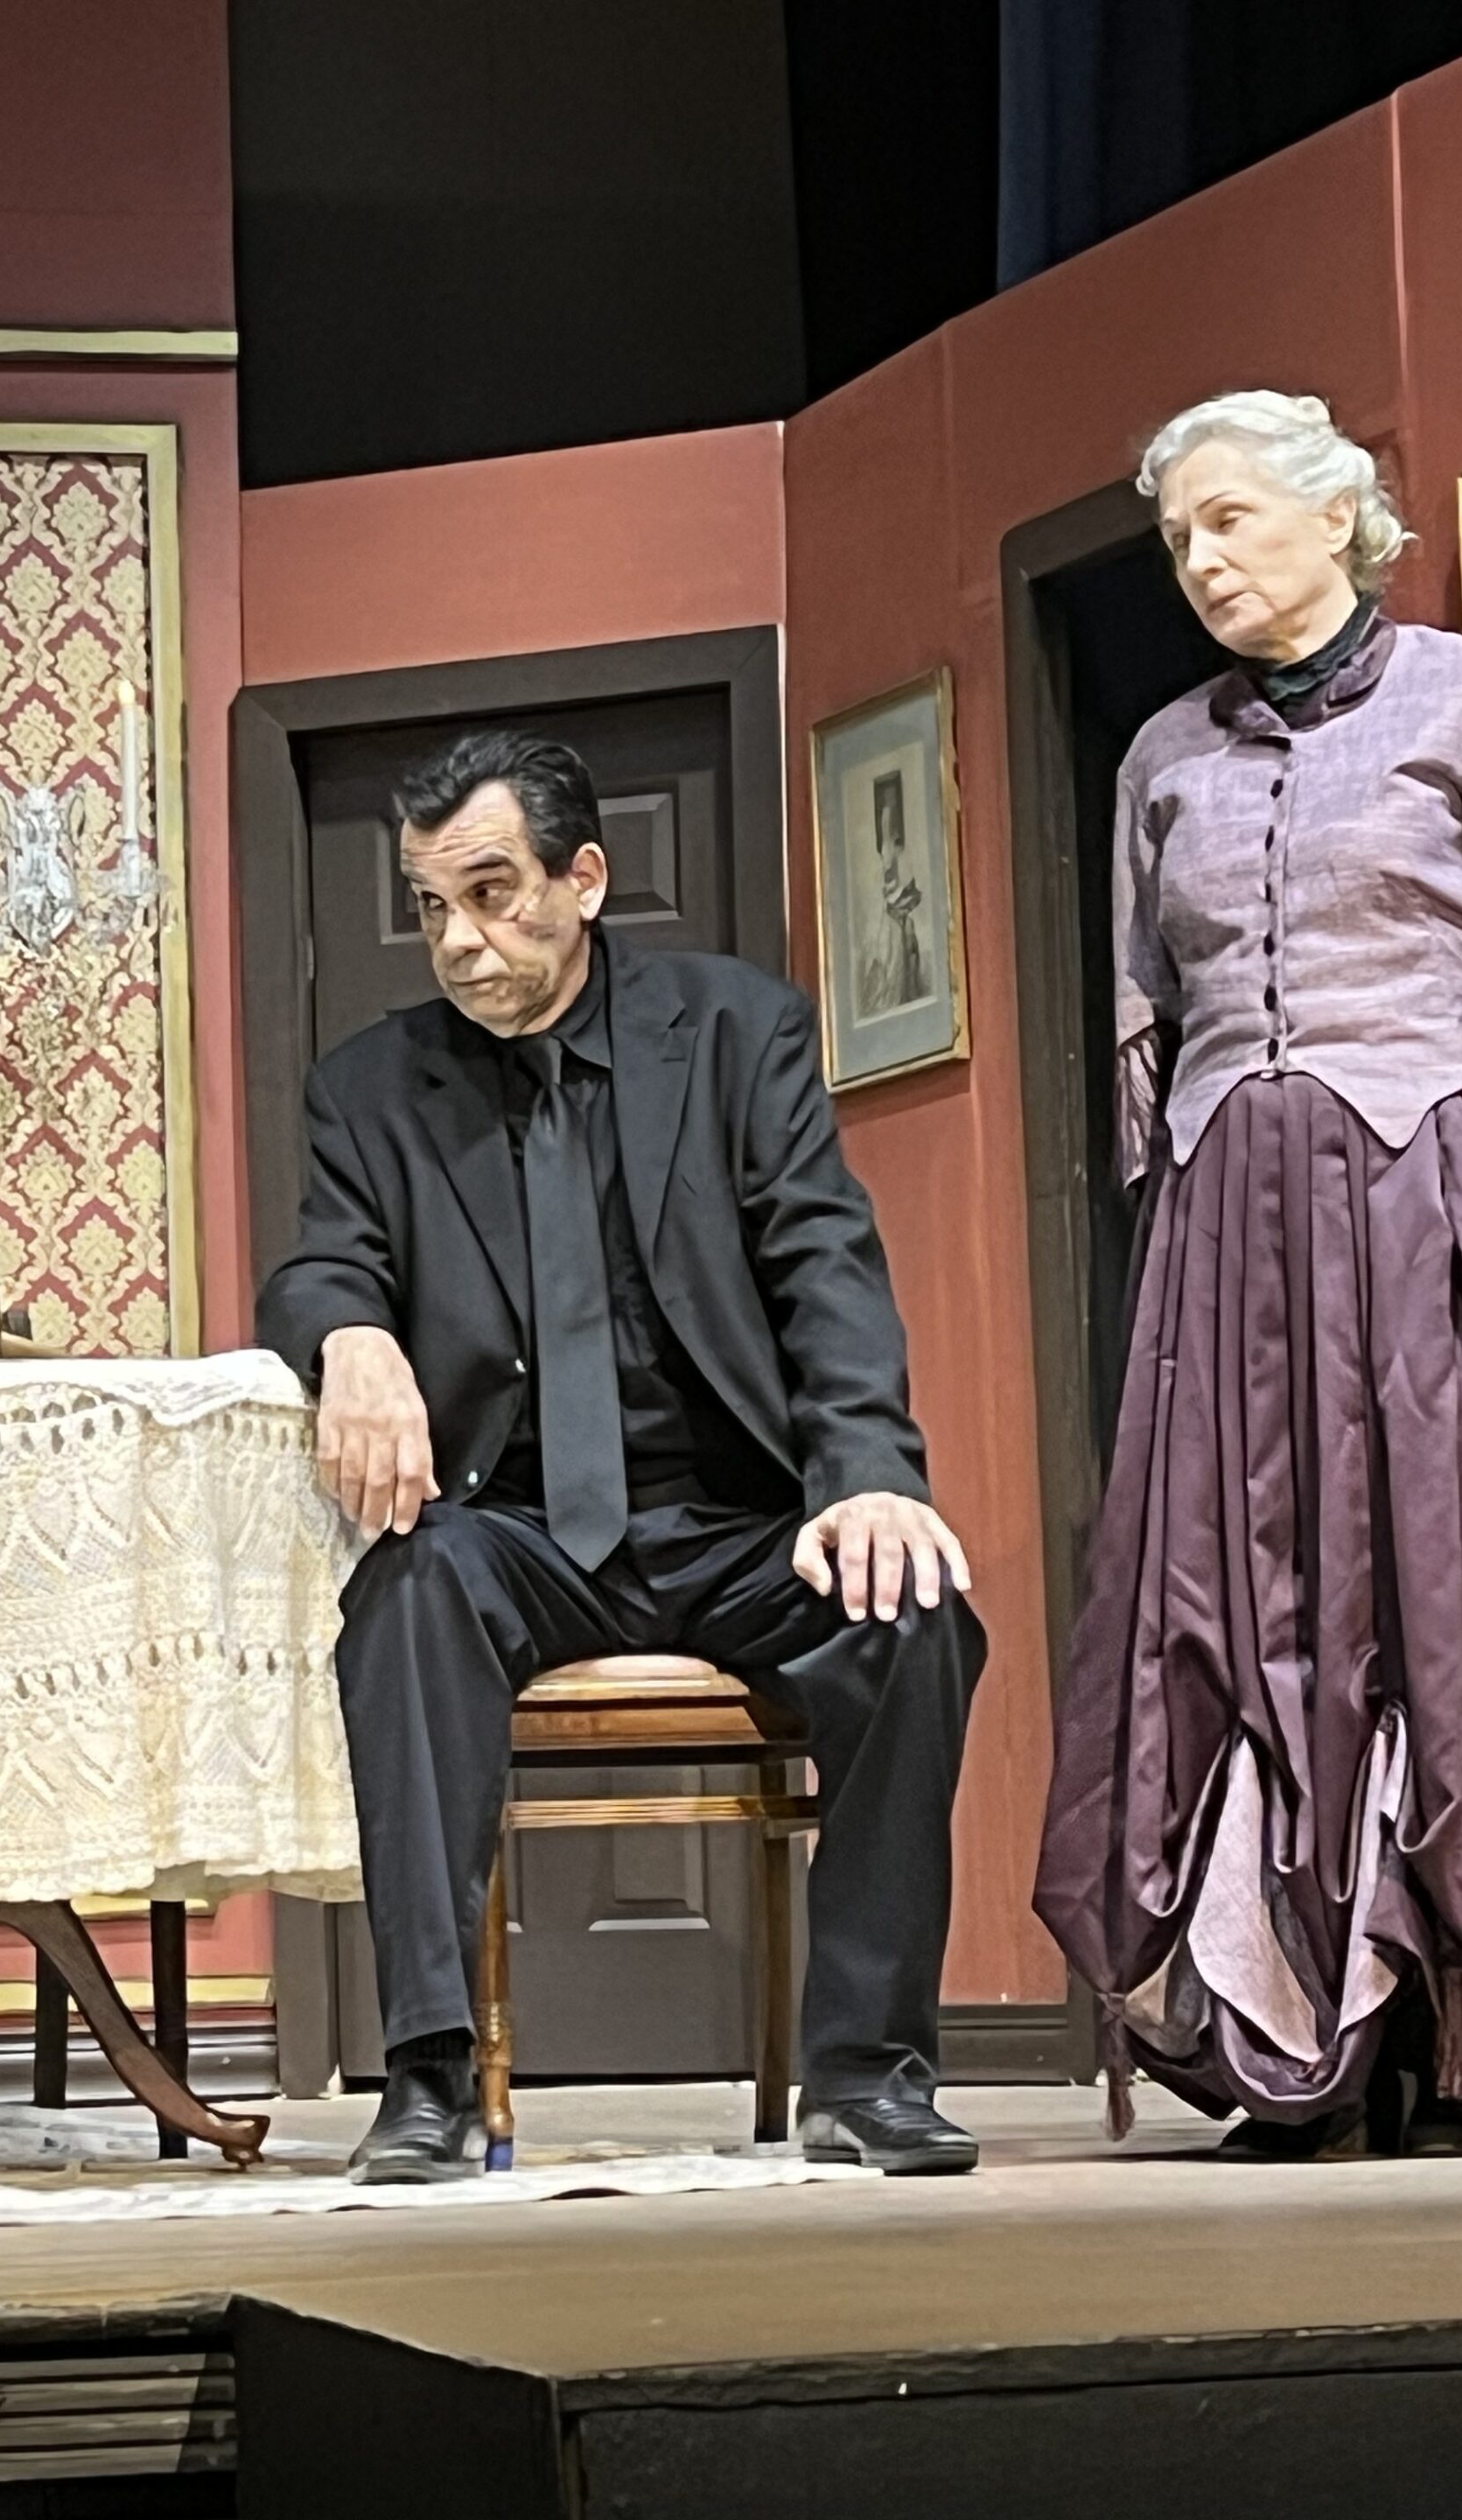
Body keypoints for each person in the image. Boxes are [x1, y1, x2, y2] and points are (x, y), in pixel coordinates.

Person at [256, 729, 986, 2183]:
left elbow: (825, 1265)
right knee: (404, 1597)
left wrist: (867, 1475)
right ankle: (428, 2077)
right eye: (431, 907)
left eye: (491, 895)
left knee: (912, 1617)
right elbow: (321, 1263)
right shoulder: (369, 1089)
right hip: (517, 1526)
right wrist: (348, 1333)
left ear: (583, 879)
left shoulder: (734, 1034)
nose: (457, 942)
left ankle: (868, 2072)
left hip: (730, 1520)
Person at [1032, 390, 1462, 2157]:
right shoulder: (1162, 759)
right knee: (1241, 1592)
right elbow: (1149, 1014)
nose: (1203, 561)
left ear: (1338, 515)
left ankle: (1460, 2027)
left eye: (1231, 519)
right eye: (1180, 538)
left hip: (1436, 1201)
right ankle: (1294, 2016)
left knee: (1444, 1586)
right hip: (1233, 1236)